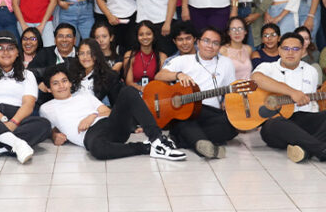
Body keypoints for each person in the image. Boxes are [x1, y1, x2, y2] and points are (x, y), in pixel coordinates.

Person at [42, 66, 185, 161]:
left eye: (64, 81)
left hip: (109, 125)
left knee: (128, 91)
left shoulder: (83, 95)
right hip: (90, 137)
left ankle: (157, 139)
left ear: (70, 83)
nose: (62, 86)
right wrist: (54, 135)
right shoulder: (46, 108)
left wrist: (91, 117)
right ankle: (147, 148)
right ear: (48, 88)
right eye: (55, 83)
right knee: (97, 150)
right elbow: (49, 128)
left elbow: (107, 111)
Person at [253, 32, 326, 167]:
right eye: (286, 48)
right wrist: (292, 92)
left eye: (296, 49)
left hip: (303, 121)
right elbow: (256, 78)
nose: (290, 52)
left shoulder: (311, 71)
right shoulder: (267, 67)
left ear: (303, 50)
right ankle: (325, 151)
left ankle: (305, 150)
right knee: (276, 122)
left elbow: (314, 100)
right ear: (279, 50)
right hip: (276, 127)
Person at [153, 27, 240, 159]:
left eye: (215, 43)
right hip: (187, 112)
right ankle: (202, 143)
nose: (210, 46)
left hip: (211, 113)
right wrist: (178, 74)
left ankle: (185, 139)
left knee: (232, 126)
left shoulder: (226, 63)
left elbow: (231, 92)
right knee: (182, 118)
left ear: (219, 47)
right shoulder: (183, 60)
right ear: (198, 42)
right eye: (206, 41)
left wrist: (228, 104)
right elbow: (159, 76)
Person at [0, 32, 52, 163]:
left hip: (15, 118)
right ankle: (17, 144)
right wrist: (1, 119)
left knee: (44, 125)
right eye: (0, 48)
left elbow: (28, 105)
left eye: (10, 48)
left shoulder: (27, 74)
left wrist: (13, 123)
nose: (5, 52)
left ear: (18, 52)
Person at [123, 21, 166, 89]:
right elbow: (129, 82)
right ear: (137, 37)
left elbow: (164, 81)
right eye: (141, 35)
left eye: (148, 34)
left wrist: (150, 90)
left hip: (155, 90)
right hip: (135, 91)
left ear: (154, 35)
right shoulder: (129, 55)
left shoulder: (162, 56)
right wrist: (141, 88)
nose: (145, 37)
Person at [221, 16, 254, 81]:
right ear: (228, 32)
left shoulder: (248, 49)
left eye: (240, 28)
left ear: (245, 31)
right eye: (233, 29)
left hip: (248, 88)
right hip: (232, 88)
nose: (237, 32)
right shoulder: (223, 50)